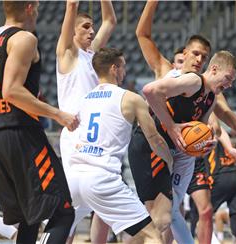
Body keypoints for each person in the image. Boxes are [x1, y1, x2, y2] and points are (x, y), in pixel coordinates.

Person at [135, 1, 236, 243]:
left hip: (184, 152)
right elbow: (148, 81)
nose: (199, 58)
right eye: (195, 54)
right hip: (156, 143)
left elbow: (234, 122)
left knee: (173, 211)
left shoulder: (212, 95)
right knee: (161, 213)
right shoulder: (178, 75)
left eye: (204, 55)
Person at [0, 1, 80, 243]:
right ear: (30, 7)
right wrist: (57, 114)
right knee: (63, 212)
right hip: (23, 135)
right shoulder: (24, 39)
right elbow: (11, 90)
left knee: (29, 218)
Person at [67, 47, 173, 243]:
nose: (125, 72)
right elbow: (154, 139)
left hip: (74, 176)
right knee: (152, 236)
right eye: (123, 67)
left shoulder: (84, 99)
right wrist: (170, 160)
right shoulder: (131, 98)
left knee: (63, 231)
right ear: (114, 68)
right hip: (101, 177)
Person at [56, 0, 117, 243]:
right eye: (86, 27)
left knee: (97, 201)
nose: (92, 31)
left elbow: (111, 21)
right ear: (72, 31)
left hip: (95, 136)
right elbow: (71, 6)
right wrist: (72, 8)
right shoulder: (68, 53)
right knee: (71, 205)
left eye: (93, 27)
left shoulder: (92, 55)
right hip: (74, 134)